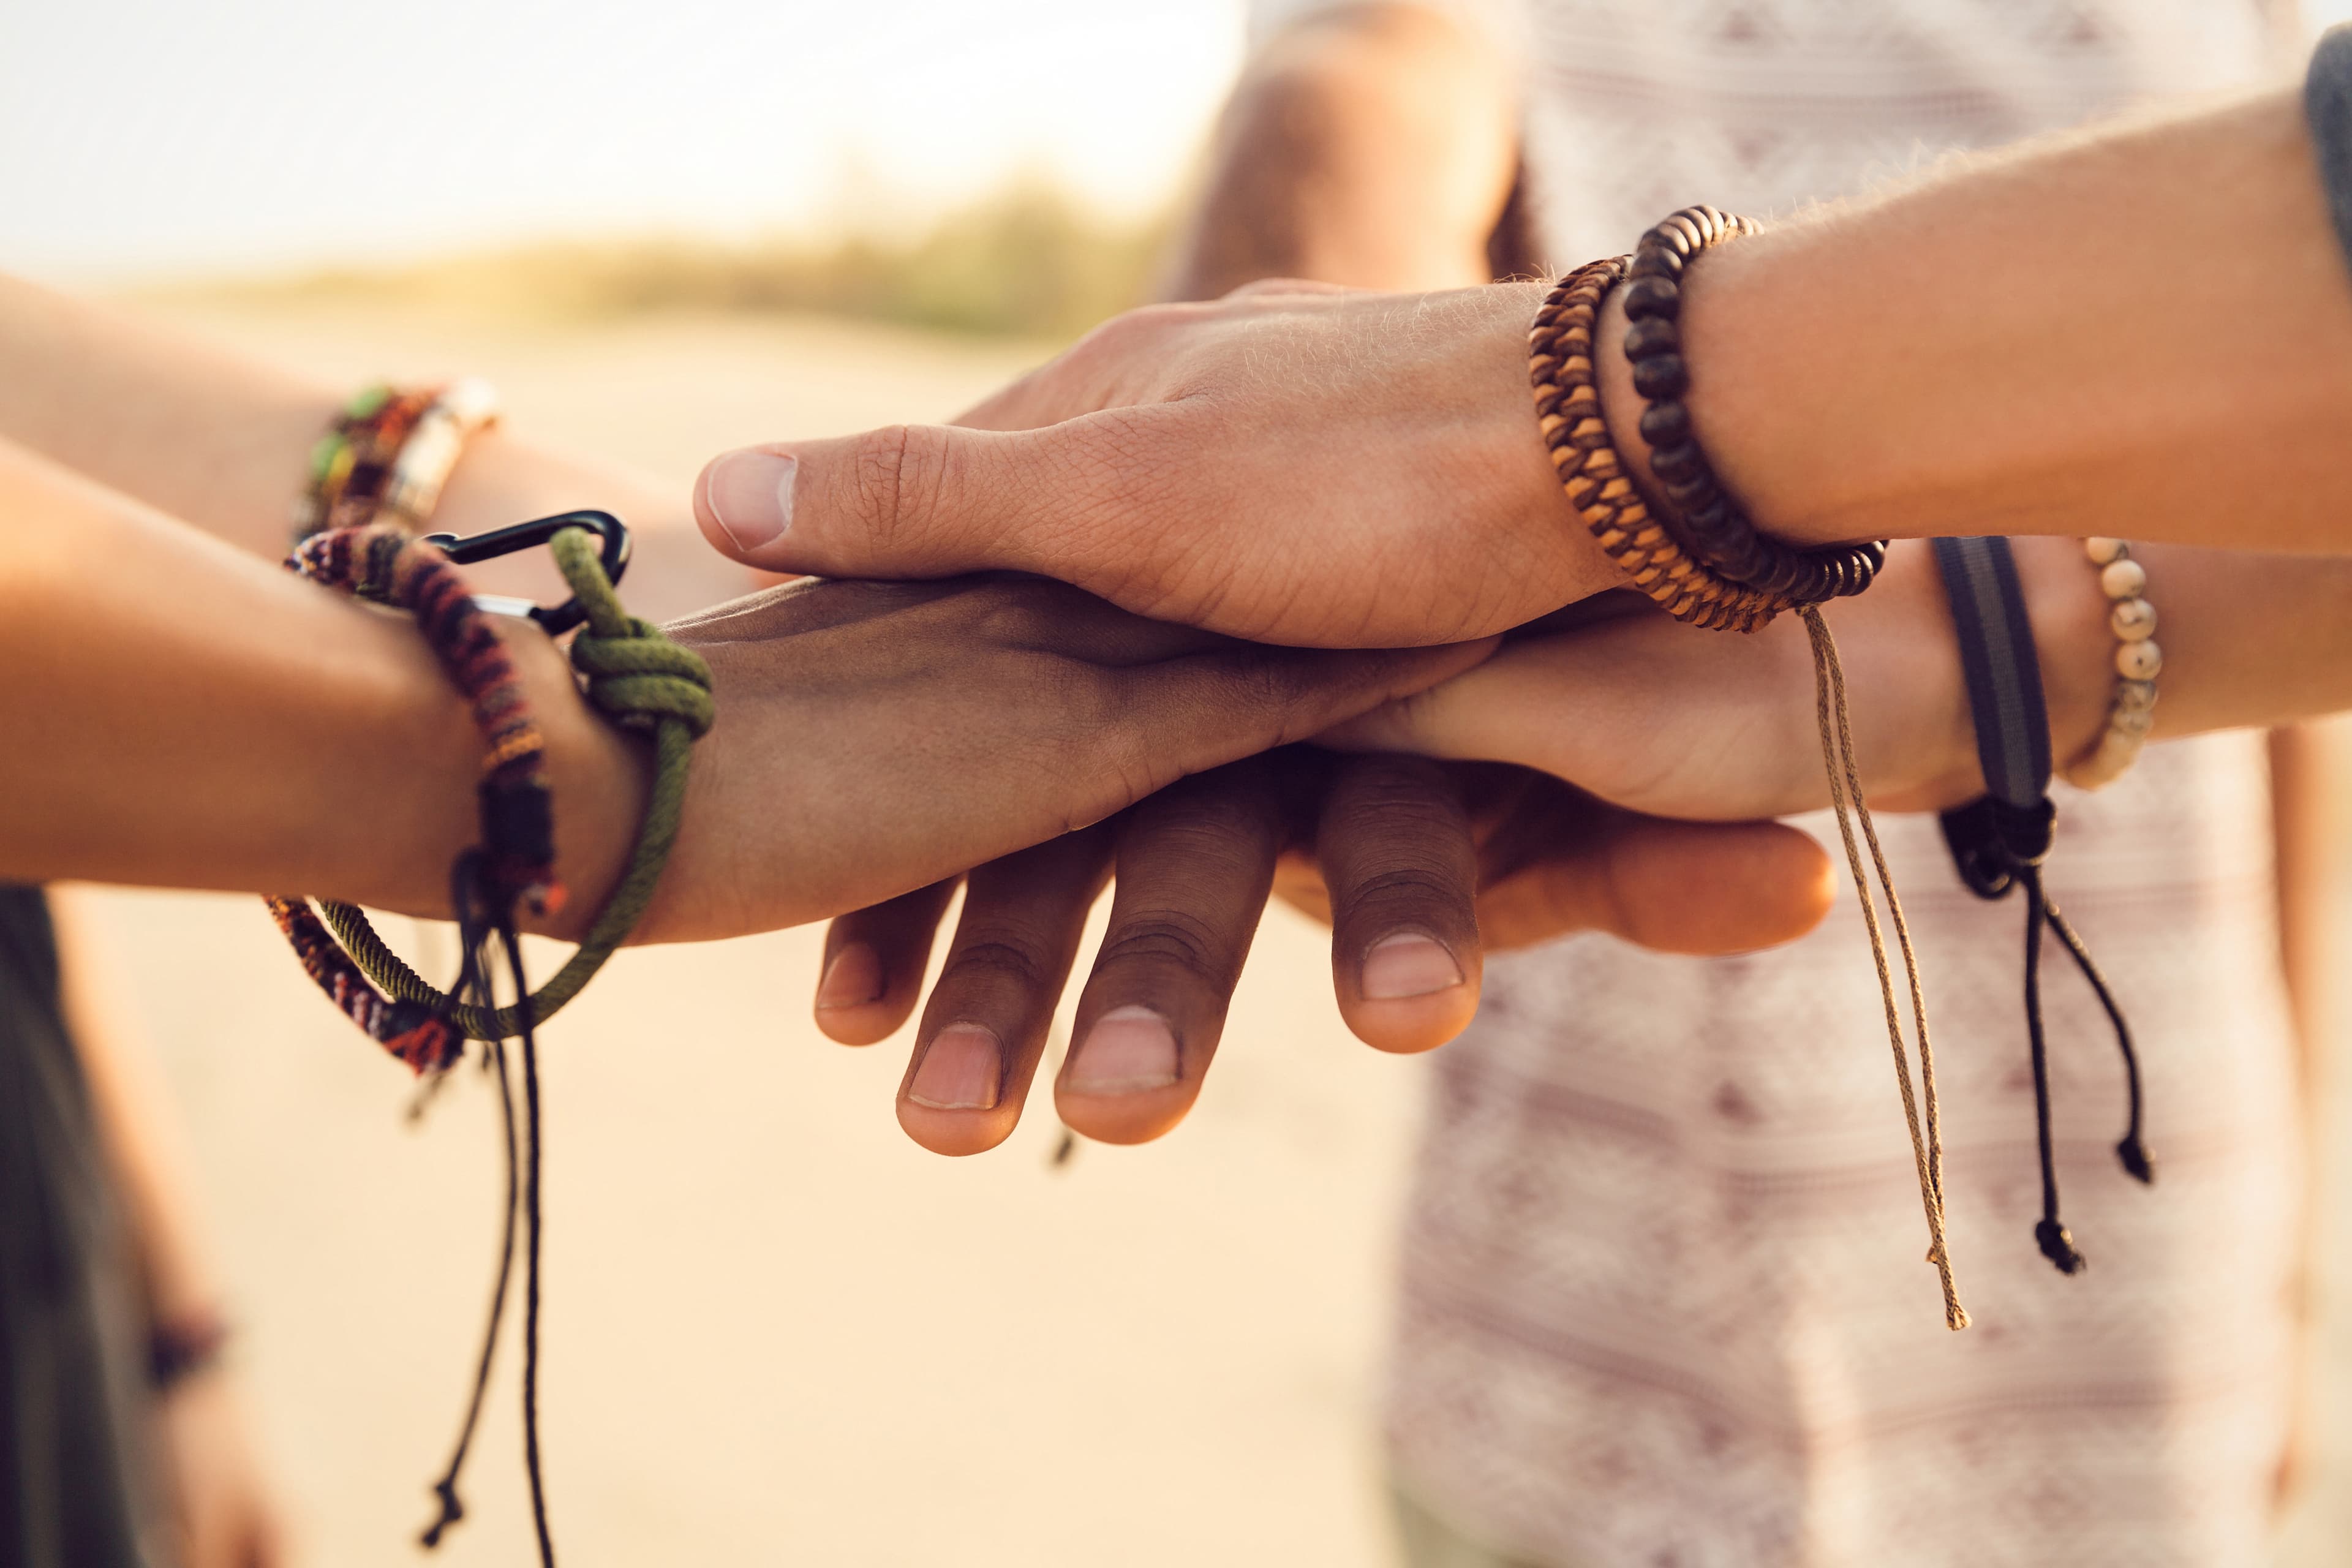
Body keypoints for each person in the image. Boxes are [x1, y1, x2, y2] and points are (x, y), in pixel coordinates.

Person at [691, 17, 2352, 1567]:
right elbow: (1371, 76)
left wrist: (2278, 1230)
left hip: (2124, 1222)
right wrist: (1281, 394)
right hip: (1576, 1264)